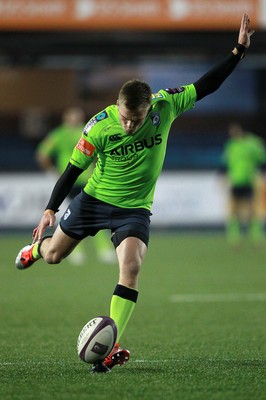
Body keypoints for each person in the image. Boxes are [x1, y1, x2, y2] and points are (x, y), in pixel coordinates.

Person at [16, 14, 254, 373]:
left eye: (136, 120)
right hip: (94, 201)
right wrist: (50, 209)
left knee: (131, 266)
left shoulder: (165, 105)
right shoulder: (99, 125)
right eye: (126, 118)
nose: (129, 125)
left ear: (149, 108)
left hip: (134, 209)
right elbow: (72, 171)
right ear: (118, 105)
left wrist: (237, 51)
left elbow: (207, 85)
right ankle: (36, 248)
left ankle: (110, 348)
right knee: (53, 256)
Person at [36, 107, 116, 265]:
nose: (75, 119)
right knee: (78, 213)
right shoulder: (60, 134)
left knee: (88, 213)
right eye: (72, 116)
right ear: (66, 118)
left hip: (89, 179)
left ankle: (100, 250)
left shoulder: (86, 130)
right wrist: (52, 171)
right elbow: (42, 154)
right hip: (71, 180)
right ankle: (82, 251)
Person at [222, 122, 266, 245]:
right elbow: (225, 165)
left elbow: (261, 161)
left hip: (250, 181)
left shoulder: (253, 143)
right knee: (233, 210)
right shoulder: (231, 146)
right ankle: (234, 237)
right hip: (236, 181)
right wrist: (224, 179)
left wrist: (261, 176)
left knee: (253, 210)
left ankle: (256, 236)